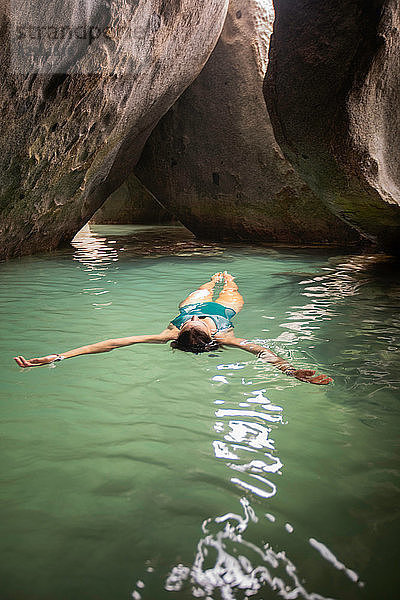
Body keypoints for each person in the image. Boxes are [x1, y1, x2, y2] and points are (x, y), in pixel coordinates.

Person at [14, 272, 332, 385]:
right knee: (226, 292)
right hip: (224, 311)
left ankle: (224, 278)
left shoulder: (173, 332)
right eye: (191, 322)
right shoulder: (224, 335)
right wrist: (291, 371)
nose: (191, 319)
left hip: (208, 306)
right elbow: (262, 351)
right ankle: (220, 278)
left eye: (189, 324)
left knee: (201, 296)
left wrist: (59, 357)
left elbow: (114, 343)